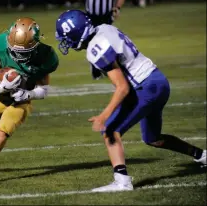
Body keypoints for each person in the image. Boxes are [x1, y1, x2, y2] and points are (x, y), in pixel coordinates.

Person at [55, 10, 206, 192]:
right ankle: (202, 155)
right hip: (158, 81)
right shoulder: (105, 28)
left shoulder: (95, 49)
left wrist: (104, 116)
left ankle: (122, 181)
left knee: (111, 130)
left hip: (145, 87)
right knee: (153, 138)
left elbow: (123, 87)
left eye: (66, 37)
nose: (66, 42)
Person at [0, 17, 59, 184]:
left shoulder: (46, 55)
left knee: (3, 130)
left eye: (23, 51)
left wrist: (28, 95)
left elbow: (44, 90)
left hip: (21, 101)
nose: (18, 54)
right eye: (15, 49)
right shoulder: (0, 43)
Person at [64, 0, 127, 80]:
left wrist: (117, 8)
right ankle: (96, 70)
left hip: (106, 16)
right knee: (91, 43)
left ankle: (113, 68)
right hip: (90, 16)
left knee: (107, 42)